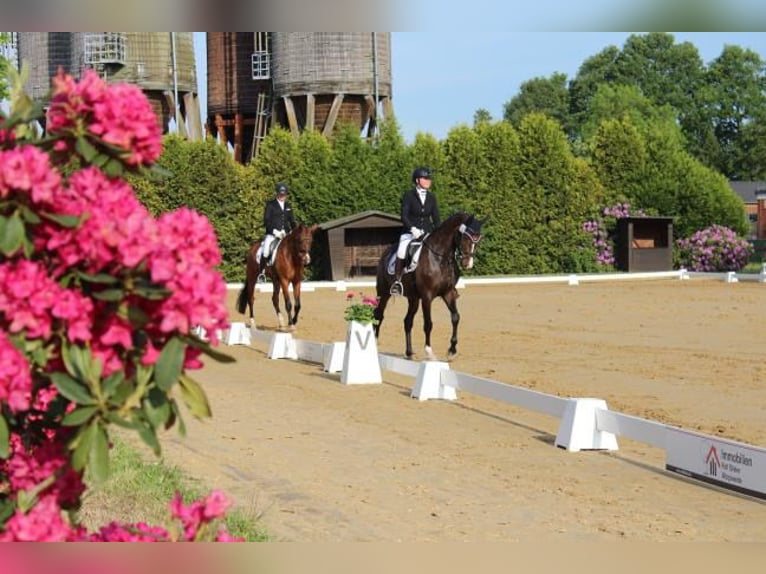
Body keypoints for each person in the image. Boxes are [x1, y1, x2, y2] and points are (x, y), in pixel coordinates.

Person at [390, 166, 440, 296]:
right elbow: (404, 216)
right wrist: (412, 228)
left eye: (429, 179)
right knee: (401, 250)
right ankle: (397, 281)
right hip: (410, 232)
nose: (429, 181)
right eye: (425, 178)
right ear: (418, 180)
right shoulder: (409, 195)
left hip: (427, 233)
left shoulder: (432, 197)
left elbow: (436, 218)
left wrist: (438, 232)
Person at [257, 182, 297, 280]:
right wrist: (275, 232)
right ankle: (261, 273)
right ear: (277, 193)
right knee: (266, 251)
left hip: (286, 234)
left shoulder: (288, 206)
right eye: (281, 194)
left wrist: (294, 231)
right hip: (273, 234)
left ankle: (297, 272)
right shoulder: (271, 205)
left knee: (297, 248)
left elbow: (292, 221)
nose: (282, 196)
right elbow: (266, 220)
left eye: (284, 194)